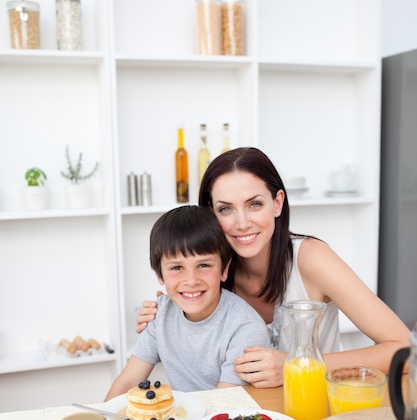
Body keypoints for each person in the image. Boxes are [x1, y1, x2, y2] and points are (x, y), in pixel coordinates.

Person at [136, 147, 410, 388]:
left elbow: (405, 351)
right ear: (210, 213)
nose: (242, 223)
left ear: (277, 203)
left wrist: (298, 365)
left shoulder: (311, 259)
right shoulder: (209, 273)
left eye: (254, 204)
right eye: (226, 209)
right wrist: (164, 315)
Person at [105, 204, 271, 399]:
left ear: (224, 269)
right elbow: (127, 382)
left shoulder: (244, 327)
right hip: (188, 419)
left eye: (203, 265)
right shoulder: (160, 313)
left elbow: (223, 406)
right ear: (159, 274)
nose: (191, 280)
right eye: (176, 268)